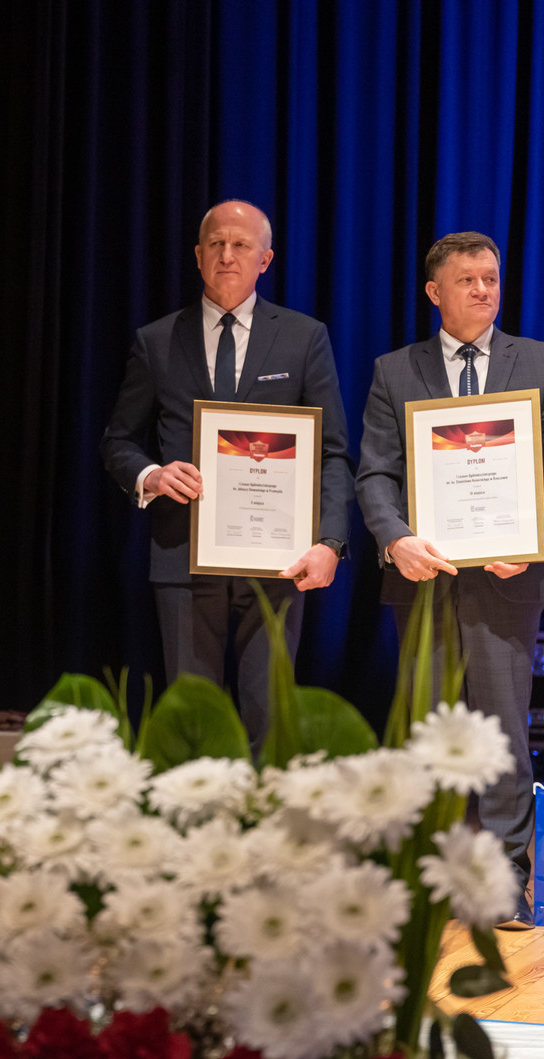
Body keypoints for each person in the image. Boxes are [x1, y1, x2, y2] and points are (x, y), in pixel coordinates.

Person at [356, 231, 544, 929]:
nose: (484, 290)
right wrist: (394, 538)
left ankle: (502, 881)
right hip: (422, 578)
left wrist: (537, 539)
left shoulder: (541, 362)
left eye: (491, 278)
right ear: (435, 292)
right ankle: (426, 880)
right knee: (427, 734)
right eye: (468, 280)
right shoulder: (395, 371)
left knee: (502, 734)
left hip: (509, 580)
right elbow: (375, 473)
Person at [101, 200, 354, 752]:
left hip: (278, 559)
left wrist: (331, 542)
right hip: (184, 556)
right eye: (216, 244)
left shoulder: (304, 338)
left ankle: (263, 812)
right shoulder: (156, 340)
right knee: (194, 725)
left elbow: (333, 452)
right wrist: (151, 475)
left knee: (270, 721)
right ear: (197, 256)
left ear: (265, 259)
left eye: (241, 245)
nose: (227, 255)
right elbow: (118, 442)